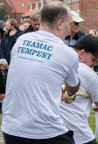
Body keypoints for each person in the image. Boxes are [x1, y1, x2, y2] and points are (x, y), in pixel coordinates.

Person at [1, 1, 80, 144]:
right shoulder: (68, 53)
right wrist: (71, 91)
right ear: (60, 23)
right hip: (45, 132)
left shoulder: (21, 41)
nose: (69, 31)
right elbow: (72, 87)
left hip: (11, 129)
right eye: (68, 25)